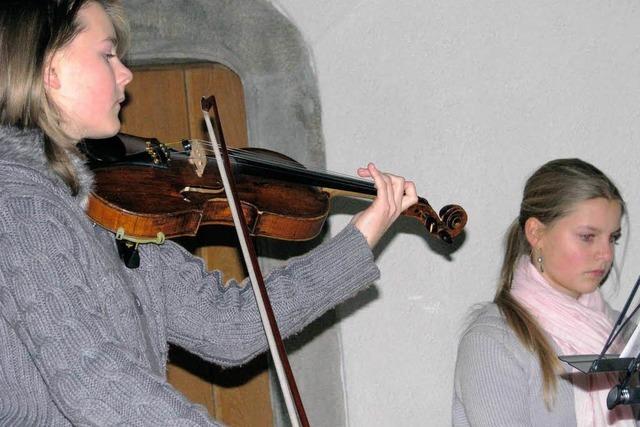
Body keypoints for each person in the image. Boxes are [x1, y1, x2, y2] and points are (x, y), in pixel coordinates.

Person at [0, 1, 419, 425]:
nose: (126, 74)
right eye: (107, 54)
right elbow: (94, 379)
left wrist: (362, 236)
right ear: (50, 70)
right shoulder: (19, 204)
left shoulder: (113, 207)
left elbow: (228, 326)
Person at [452, 158, 636, 426]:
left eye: (613, 238)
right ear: (536, 233)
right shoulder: (495, 342)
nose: (606, 254)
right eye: (588, 236)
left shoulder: (625, 335)